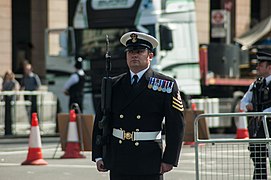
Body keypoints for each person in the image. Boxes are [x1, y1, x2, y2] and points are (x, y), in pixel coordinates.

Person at [92, 31, 185, 180]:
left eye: (140, 51)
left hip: (148, 158)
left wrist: (169, 159)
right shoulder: (114, 85)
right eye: (130, 52)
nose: (134, 55)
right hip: (119, 157)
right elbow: (101, 119)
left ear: (150, 56)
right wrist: (98, 155)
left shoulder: (165, 85)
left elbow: (176, 125)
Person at [240, 51, 271, 180]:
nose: (257, 67)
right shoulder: (256, 84)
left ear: (270, 67)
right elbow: (243, 103)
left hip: (269, 129)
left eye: (260, 64)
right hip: (258, 131)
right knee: (259, 166)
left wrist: (262, 113)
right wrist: (248, 106)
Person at [2, 70, 20, 135]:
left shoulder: (14, 82)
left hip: (11, 100)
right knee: (6, 115)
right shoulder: (4, 82)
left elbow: (16, 89)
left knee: (11, 115)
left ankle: (11, 129)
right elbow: (3, 90)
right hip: (6, 101)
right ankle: (7, 129)